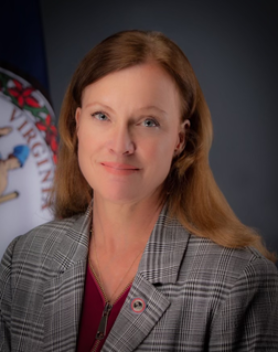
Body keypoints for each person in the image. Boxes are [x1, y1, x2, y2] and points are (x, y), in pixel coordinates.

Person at [0, 30, 278, 352]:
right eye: (102, 116)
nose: (120, 146)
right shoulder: (23, 260)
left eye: (148, 122)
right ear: (78, 124)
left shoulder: (240, 283)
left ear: (179, 139)